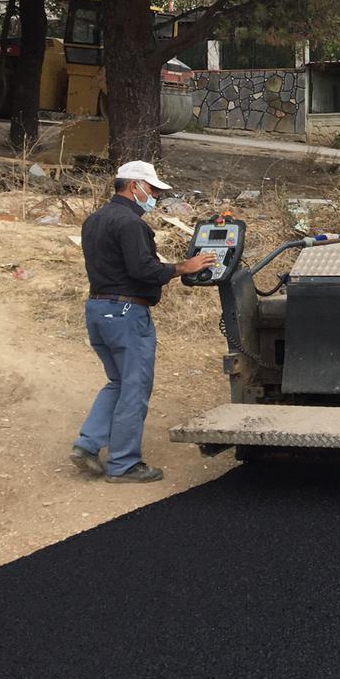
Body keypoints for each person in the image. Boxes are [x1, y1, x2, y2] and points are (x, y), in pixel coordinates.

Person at [70, 161, 215, 483]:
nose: (154, 196)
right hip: (125, 313)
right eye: (151, 189)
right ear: (134, 185)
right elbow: (143, 269)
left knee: (118, 382)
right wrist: (183, 267)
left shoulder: (94, 220)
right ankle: (123, 464)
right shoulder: (131, 224)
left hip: (98, 309)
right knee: (134, 387)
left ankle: (88, 444)